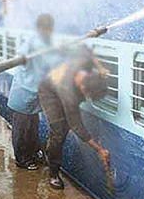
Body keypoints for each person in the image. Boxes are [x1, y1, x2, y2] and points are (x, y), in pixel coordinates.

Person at [38, 46, 111, 190]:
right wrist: (99, 150)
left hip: (60, 86)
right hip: (49, 93)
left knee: (60, 131)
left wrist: (100, 67)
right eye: (87, 96)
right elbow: (76, 125)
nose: (87, 98)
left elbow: (85, 49)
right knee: (59, 131)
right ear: (82, 87)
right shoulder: (69, 93)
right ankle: (53, 172)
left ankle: (47, 148)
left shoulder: (84, 64)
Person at [7, 14, 61, 170]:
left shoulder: (48, 41)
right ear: (40, 28)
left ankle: (32, 154)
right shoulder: (31, 40)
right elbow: (21, 53)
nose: (49, 31)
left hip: (34, 96)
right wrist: (23, 57)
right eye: (47, 28)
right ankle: (21, 159)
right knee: (21, 131)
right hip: (23, 95)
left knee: (32, 129)